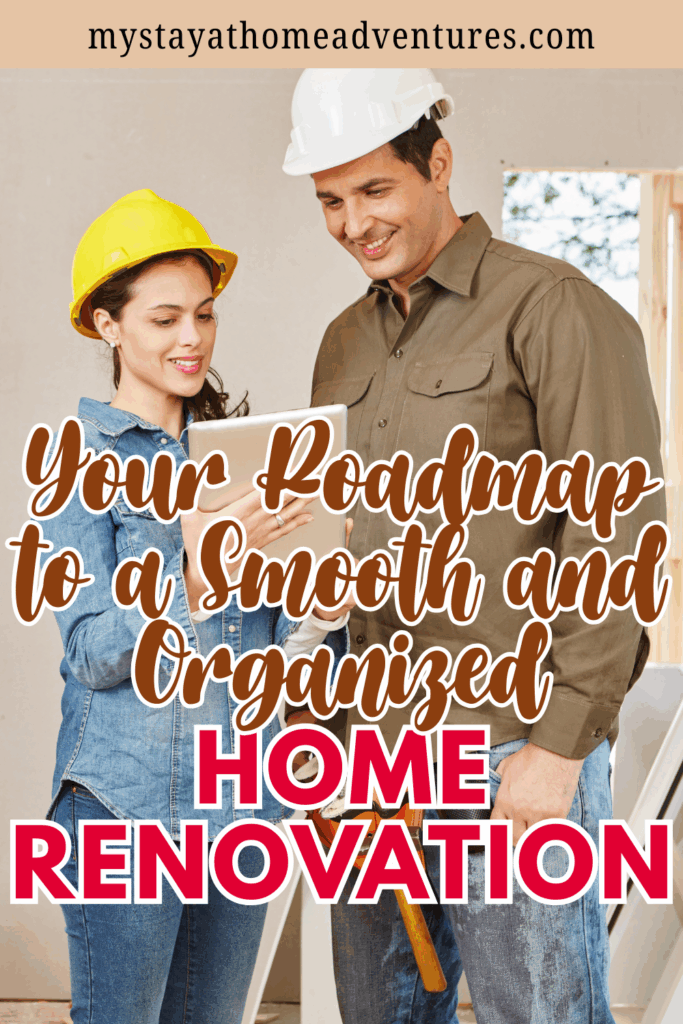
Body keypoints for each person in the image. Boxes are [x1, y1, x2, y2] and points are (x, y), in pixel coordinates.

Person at [282, 69, 666, 1023]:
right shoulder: (342, 344)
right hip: (370, 750)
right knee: (384, 1009)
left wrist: (558, 748)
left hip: (508, 744)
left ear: (438, 164)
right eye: (331, 200)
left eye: (375, 190)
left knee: (529, 1011)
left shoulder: (553, 307)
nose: (352, 223)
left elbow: (616, 534)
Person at [41, 189, 352, 1024]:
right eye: (164, 318)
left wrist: (319, 583)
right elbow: (95, 652)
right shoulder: (79, 470)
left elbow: (290, 649)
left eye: (205, 316)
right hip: (125, 808)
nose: (191, 339)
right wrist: (196, 557)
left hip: (241, 803)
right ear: (108, 325)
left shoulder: (246, 459)